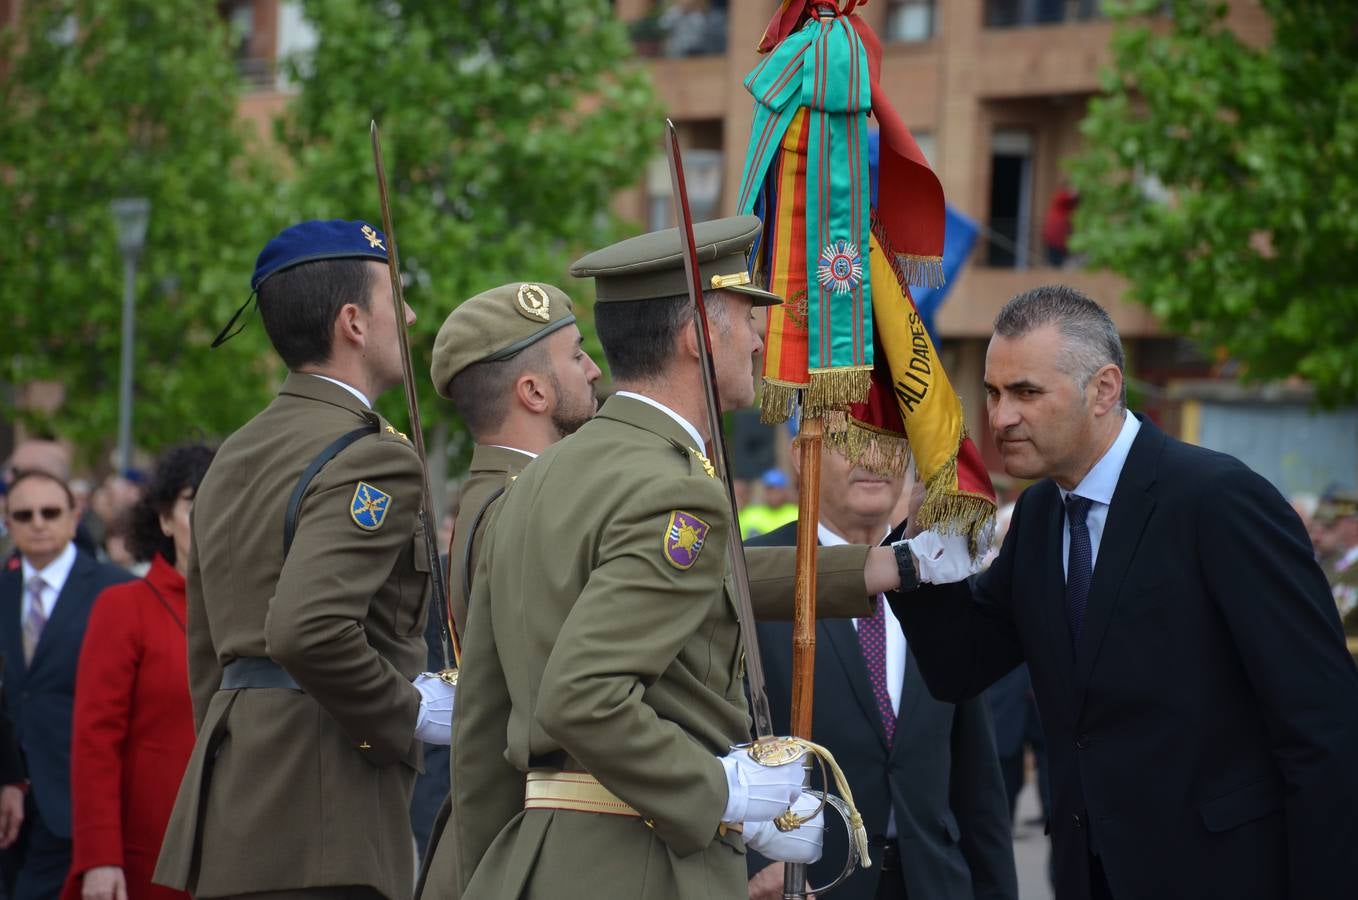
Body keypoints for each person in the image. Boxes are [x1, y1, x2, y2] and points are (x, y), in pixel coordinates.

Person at [451, 216, 922, 900]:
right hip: (641, 866)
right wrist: (726, 792)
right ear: (698, 335)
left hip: (535, 862)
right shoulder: (675, 490)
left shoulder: (537, 480)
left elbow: (482, 729)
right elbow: (582, 699)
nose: (762, 337)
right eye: (745, 316)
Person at [888, 285, 1358, 900]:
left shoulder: (1217, 501)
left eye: (1027, 392)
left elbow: (1323, 728)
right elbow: (959, 666)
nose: (1000, 417)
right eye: (995, 393)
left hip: (1225, 875)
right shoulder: (1037, 519)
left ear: (1104, 389)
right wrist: (919, 543)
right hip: (1090, 877)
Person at [154, 220, 454, 900]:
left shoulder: (233, 452)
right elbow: (305, 629)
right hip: (325, 820)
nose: (408, 316)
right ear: (352, 321)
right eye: (395, 297)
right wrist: (406, 710)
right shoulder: (373, 454)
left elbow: (210, 651)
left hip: (237, 802)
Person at [746, 443, 1017, 900]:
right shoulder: (756, 575)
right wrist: (754, 869)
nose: (871, 458)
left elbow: (976, 779)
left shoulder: (941, 576)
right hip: (805, 884)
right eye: (847, 440)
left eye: (889, 441)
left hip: (935, 881)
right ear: (801, 453)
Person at [415, 281, 601, 895]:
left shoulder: (503, 498)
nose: (594, 369)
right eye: (576, 355)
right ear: (534, 391)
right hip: (525, 846)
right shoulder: (523, 510)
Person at [61, 444, 215, 900]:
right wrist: (99, 857)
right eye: (194, 501)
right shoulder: (123, 607)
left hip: (241, 854)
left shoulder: (258, 612)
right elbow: (95, 742)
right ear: (165, 520)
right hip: (149, 858)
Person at [0, 470, 131, 899]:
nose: (38, 522)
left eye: (50, 512)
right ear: (8, 519)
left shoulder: (119, 591)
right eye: (24, 514)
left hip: (77, 798)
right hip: (9, 799)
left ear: (75, 517)